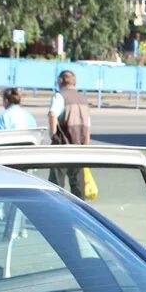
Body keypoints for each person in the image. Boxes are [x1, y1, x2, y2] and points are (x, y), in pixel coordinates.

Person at [47, 70, 91, 198]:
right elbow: (87, 123)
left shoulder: (60, 96)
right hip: (79, 146)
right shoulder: (83, 99)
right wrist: (86, 143)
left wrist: (53, 134)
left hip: (62, 144)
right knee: (78, 185)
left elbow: (52, 114)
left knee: (56, 183)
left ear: (60, 80)